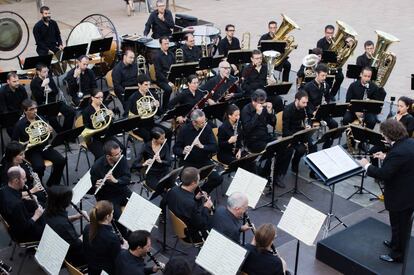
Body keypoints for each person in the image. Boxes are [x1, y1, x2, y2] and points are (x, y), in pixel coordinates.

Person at [359, 119, 414, 263]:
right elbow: (401, 162)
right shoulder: (408, 143)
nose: (383, 137)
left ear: (389, 134)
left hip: (401, 195)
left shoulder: (397, 152)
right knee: (399, 224)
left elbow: (384, 174)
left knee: (399, 225)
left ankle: (397, 255)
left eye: (384, 134)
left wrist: (367, 166)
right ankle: (395, 243)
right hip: (408, 191)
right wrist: (386, 157)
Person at [12, 99, 65, 186]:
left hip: (45, 147)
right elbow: (14, 142)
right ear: (25, 111)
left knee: (61, 160)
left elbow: (48, 138)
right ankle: (39, 186)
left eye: (36, 108)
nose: (35, 111)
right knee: (39, 167)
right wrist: (25, 144)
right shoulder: (19, 125)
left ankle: (52, 183)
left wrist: (49, 131)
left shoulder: (41, 119)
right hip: (32, 150)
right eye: (31, 109)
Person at [173, 109, 223, 193]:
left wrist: (202, 146)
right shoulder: (184, 130)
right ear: (194, 122)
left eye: (204, 121)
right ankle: (192, 194)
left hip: (203, 161)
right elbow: (175, 149)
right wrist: (183, 151)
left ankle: (200, 193)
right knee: (189, 182)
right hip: (188, 162)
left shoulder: (206, 128)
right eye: (202, 123)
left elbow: (215, 147)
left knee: (218, 179)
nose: (204, 124)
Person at [90, 140, 132, 226]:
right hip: (108, 196)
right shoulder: (96, 167)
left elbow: (127, 178)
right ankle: (124, 238)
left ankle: (135, 234)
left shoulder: (121, 159)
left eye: (120, 152)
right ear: (109, 157)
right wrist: (96, 186)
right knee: (119, 221)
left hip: (122, 190)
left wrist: (116, 181)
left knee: (137, 207)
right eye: (116, 154)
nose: (120, 155)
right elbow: (92, 191)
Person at [166, 167, 213, 242]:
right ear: (193, 183)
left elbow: (186, 206)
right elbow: (200, 224)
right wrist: (206, 208)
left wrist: (196, 199)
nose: (199, 181)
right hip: (190, 234)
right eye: (198, 180)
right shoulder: (191, 204)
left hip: (178, 221)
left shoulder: (173, 190)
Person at [45, 185, 87, 267]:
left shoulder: (48, 211)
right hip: (73, 256)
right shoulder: (63, 226)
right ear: (65, 202)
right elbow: (77, 244)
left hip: (58, 245)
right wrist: (87, 232)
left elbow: (60, 219)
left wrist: (75, 217)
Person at [0, 166, 45, 242]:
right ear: (16, 180)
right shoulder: (17, 205)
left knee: (40, 206)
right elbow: (24, 228)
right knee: (52, 226)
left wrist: (24, 198)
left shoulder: (3, 190)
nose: (26, 180)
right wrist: (36, 216)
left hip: (15, 223)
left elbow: (15, 196)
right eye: (24, 179)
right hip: (24, 234)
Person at [83, 200, 128, 275]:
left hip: (92, 267)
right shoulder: (112, 238)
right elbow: (118, 261)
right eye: (112, 213)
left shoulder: (88, 227)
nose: (113, 215)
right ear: (107, 216)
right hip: (106, 271)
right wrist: (124, 249)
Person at [30, 63, 75, 133]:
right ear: (38, 72)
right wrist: (43, 86)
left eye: (47, 71)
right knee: (52, 119)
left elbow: (56, 91)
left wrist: (50, 89)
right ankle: (62, 134)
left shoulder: (49, 78)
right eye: (44, 72)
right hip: (43, 106)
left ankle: (66, 132)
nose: (46, 73)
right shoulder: (34, 82)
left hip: (54, 103)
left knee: (71, 112)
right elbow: (37, 97)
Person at [282, 90, 317, 177]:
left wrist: (307, 125)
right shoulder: (288, 110)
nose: (305, 105)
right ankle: (295, 162)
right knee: (301, 149)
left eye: (306, 102)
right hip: (290, 134)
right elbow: (285, 130)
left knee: (313, 145)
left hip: (300, 131)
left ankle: (313, 171)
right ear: (297, 100)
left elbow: (306, 119)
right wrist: (296, 138)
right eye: (303, 102)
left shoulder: (304, 108)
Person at [303, 63, 338, 148]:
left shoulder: (326, 85)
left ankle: (326, 146)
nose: (324, 78)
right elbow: (306, 104)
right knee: (309, 132)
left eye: (325, 76)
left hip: (322, 112)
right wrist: (313, 111)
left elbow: (327, 98)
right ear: (317, 74)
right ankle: (310, 146)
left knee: (334, 125)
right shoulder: (307, 87)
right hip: (312, 114)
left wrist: (326, 104)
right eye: (322, 76)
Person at [0, 141, 46, 206]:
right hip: (20, 198)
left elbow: (28, 178)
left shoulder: (22, 163)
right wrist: (32, 191)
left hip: (28, 188)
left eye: (23, 154)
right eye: (21, 155)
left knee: (46, 196)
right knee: (42, 204)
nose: (24, 157)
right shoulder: (8, 172)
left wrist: (33, 177)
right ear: (13, 156)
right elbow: (10, 194)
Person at [127, 74, 170, 142]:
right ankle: (150, 152)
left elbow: (159, 113)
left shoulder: (153, 95)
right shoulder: (133, 98)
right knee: (150, 137)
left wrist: (157, 106)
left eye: (149, 84)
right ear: (139, 85)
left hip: (150, 123)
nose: (148, 87)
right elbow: (130, 115)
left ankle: (164, 151)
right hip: (139, 126)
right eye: (146, 85)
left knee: (168, 132)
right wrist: (148, 106)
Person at [82, 89, 122, 159]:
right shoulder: (86, 111)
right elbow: (86, 127)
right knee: (102, 157)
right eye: (98, 97)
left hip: (106, 134)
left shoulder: (104, 107)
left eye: (102, 97)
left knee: (122, 149)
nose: (101, 99)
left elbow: (110, 124)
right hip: (94, 138)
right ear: (92, 98)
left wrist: (111, 116)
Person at [135, 127, 171, 193]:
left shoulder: (164, 144)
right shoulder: (145, 147)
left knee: (172, 188)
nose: (164, 140)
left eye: (164, 137)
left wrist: (161, 161)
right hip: (152, 174)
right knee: (162, 190)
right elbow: (135, 165)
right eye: (162, 139)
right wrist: (144, 163)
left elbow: (169, 162)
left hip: (164, 172)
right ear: (154, 139)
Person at [316, 24, 343, 100]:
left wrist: (339, 57)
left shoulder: (337, 42)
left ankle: (332, 94)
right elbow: (319, 56)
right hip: (324, 65)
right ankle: (325, 93)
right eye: (328, 33)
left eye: (331, 33)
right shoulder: (320, 42)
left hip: (334, 65)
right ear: (325, 32)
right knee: (328, 77)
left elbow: (341, 53)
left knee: (340, 77)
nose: (329, 35)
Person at [0, 72, 28, 137]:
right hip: (9, 116)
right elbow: (3, 109)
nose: (17, 83)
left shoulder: (21, 88)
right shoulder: (2, 92)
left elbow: (26, 102)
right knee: (11, 129)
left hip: (21, 113)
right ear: (8, 81)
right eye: (14, 81)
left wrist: (24, 114)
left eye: (18, 80)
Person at [112, 49, 138, 116]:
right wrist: (125, 93)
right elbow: (117, 85)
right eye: (130, 58)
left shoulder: (134, 65)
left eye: (133, 58)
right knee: (129, 104)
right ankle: (127, 116)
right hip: (122, 90)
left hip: (134, 87)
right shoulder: (117, 69)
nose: (132, 60)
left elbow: (137, 78)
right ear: (124, 57)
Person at [154, 36, 175, 111]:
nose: (167, 45)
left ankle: (175, 104)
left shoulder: (171, 54)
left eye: (168, 43)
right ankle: (164, 108)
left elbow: (174, 67)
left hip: (171, 77)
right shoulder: (157, 56)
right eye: (165, 44)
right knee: (168, 89)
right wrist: (168, 82)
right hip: (161, 79)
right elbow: (158, 73)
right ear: (160, 44)